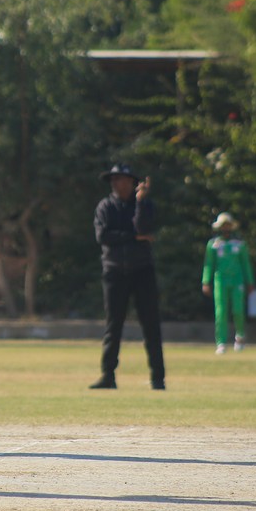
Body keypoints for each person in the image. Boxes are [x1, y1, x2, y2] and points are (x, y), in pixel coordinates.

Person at [90, 163, 165, 390]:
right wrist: (133, 237)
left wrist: (140, 202)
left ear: (132, 182)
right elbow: (103, 237)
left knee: (150, 324)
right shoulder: (105, 206)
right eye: (113, 179)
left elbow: (144, 229)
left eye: (120, 179)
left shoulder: (145, 205)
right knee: (113, 325)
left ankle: (158, 378)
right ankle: (108, 375)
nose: (115, 183)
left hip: (142, 271)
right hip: (114, 271)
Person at [202, 211, 255, 354]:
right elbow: (209, 264)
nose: (225, 228)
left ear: (231, 227)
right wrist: (206, 281)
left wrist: (250, 281)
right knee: (221, 312)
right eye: (223, 225)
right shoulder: (213, 244)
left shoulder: (239, 244)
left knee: (238, 310)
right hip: (220, 281)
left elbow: (246, 264)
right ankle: (221, 342)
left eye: (228, 225)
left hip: (237, 280)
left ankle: (240, 337)